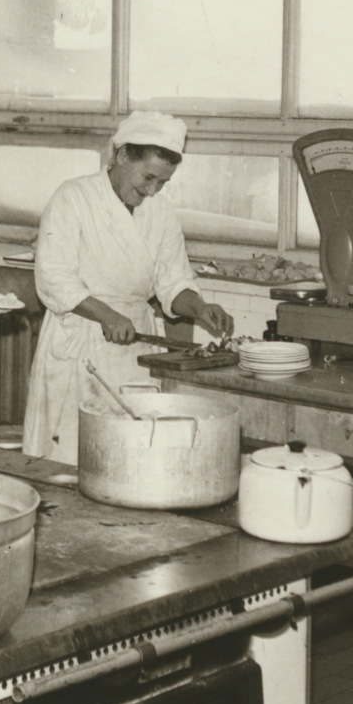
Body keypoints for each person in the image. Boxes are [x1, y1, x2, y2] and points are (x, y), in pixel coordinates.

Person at [22, 111, 234, 465]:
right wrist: (106, 314)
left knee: (132, 457)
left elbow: (172, 282)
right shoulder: (73, 197)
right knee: (72, 458)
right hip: (82, 340)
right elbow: (53, 277)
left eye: (162, 183)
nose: (151, 190)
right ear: (122, 156)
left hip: (135, 345)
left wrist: (198, 307)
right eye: (148, 176)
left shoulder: (161, 212)